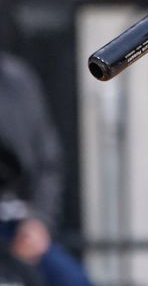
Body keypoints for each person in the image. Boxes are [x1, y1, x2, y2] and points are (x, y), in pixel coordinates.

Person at [0, 50, 94, 286]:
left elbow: (48, 163)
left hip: (18, 225)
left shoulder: (16, 80)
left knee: (74, 280)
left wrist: (38, 222)